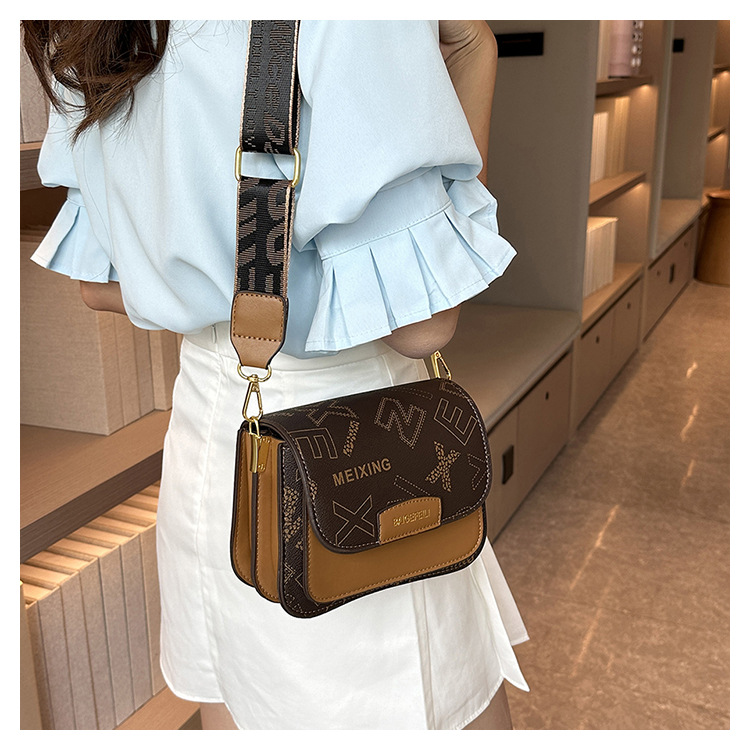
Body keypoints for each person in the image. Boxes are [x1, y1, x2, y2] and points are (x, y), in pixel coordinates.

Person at [22, 20, 529, 730]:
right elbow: (424, 325)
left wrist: (209, 282)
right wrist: (476, 53)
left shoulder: (82, 27)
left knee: (241, 703)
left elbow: (99, 285)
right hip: (353, 459)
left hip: (209, 454)